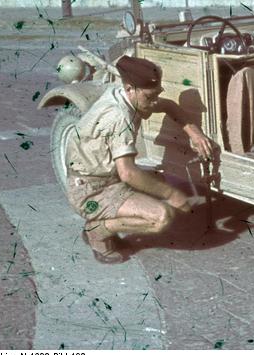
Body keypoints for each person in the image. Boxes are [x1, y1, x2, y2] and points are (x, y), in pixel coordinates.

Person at [65, 55, 214, 263]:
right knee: (162, 216)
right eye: (150, 97)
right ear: (129, 89)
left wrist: (195, 134)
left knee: (158, 181)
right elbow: (128, 173)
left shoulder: (128, 96)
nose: (154, 102)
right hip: (91, 191)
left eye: (157, 94)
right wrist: (172, 194)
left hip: (107, 177)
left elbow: (169, 106)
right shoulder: (119, 117)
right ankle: (97, 231)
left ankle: (109, 222)